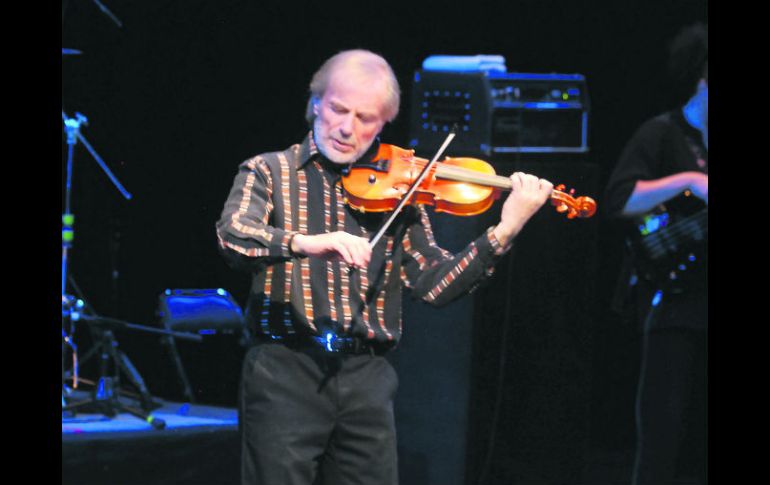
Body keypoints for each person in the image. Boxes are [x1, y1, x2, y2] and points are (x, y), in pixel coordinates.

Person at [215, 49, 553, 485]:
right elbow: (233, 237)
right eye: (338, 109)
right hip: (286, 371)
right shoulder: (268, 171)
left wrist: (504, 230)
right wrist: (308, 243)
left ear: (383, 123)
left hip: (366, 378)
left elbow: (435, 285)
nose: (346, 128)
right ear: (316, 101)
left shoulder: (401, 190)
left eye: (366, 118)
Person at [604, 24, 708, 485]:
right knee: (663, 430)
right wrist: (688, 181)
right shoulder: (662, 134)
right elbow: (619, 200)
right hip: (672, 301)